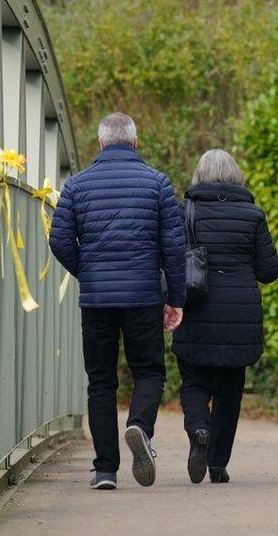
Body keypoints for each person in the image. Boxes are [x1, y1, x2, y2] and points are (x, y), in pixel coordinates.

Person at [49, 112, 186, 490]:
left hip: (97, 301)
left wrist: (88, 272)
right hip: (143, 295)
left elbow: (60, 241)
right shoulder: (157, 183)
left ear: (101, 143)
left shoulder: (76, 186)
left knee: (101, 381)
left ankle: (105, 469)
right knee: (149, 371)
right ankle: (139, 425)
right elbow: (174, 247)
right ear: (135, 142)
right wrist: (175, 298)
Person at [171, 149, 278, 484]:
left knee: (193, 382)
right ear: (237, 175)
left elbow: (172, 261)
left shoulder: (184, 211)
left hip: (196, 308)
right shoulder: (253, 215)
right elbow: (269, 270)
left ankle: (199, 429)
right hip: (240, 314)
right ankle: (217, 465)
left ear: (198, 175)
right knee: (230, 392)